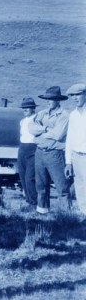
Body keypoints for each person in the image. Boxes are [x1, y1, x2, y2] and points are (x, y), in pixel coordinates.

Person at [28, 86, 70, 213]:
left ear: (58, 100)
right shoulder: (42, 113)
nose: (48, 101)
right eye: (47, 99)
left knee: (61, 187)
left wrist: (40, 131)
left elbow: (58, 134)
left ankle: (66, 217)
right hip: (39, 152)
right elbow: (31, 128)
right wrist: (46, 129)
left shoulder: (64, 115)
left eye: (51, 99)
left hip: (55, 154)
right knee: (40, 186)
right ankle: (43, 213)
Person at [64, 83, 86, 216]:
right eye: (72, 95)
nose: (75, 98)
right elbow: (70, 139)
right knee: (80, 187)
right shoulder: (72, 115)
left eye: (78, 94)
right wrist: (68, 162)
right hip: (77, 157)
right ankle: (84, 215)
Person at [17, 96, 38, 208]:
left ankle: (34, 203)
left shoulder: (37, 119)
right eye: (23, 108)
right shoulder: (22, 121)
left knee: (29, 178)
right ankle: (28, 201)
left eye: (28, 108)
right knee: (22, 175)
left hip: (33, 148)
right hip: (22, 148)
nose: (25, 110)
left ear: (33, 109)